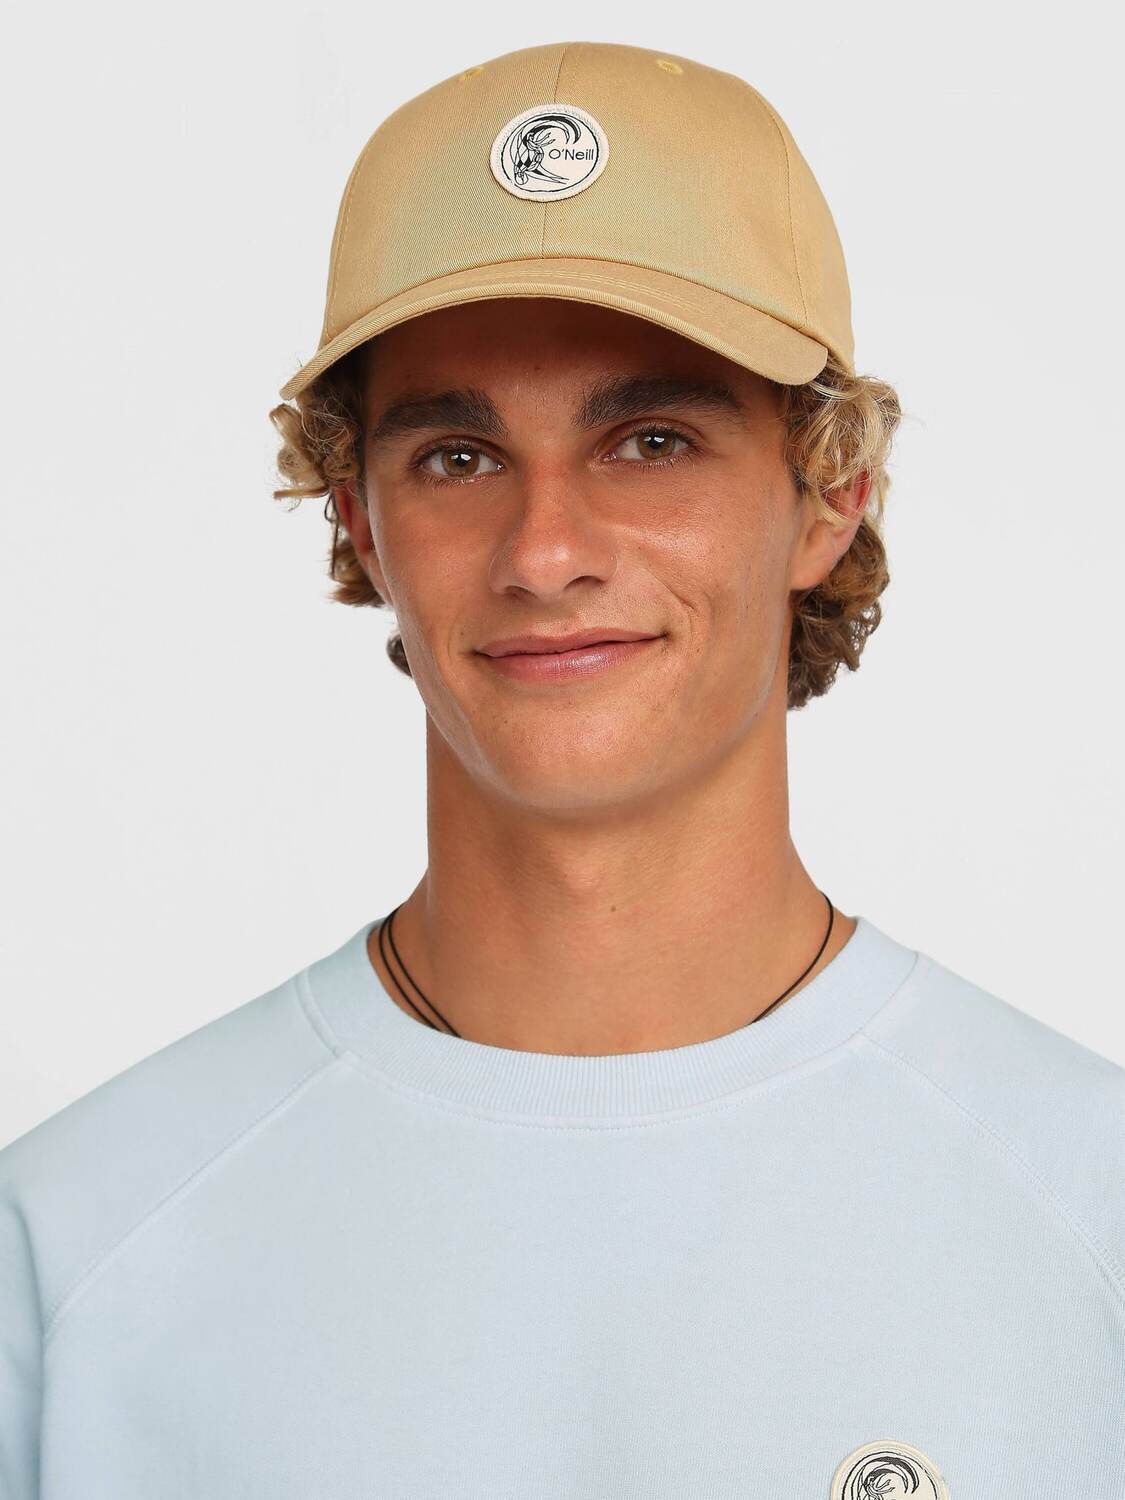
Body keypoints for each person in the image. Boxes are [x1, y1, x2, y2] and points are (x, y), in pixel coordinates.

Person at [1, 39, 1121, 1499]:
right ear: (357, 521)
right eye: (457, 457)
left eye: (650, 440)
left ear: (828, 495)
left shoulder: (1088, 1209)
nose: (544, 553)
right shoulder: (76, 1250)